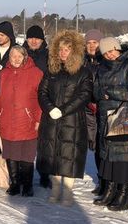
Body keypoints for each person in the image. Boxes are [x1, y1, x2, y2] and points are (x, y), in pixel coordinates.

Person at [37, 30, 93, 206]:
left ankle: (68, 192)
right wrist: (50, 108)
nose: (63, 53)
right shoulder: (51, 70)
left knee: (69, 156)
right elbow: (42, 91)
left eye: (67, 49)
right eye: (60, 49)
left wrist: (63, 110)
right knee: (53, 155)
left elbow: (84, 95)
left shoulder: (83, 72)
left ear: (74, 51)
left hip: (72, 120)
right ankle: (54, 189)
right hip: (51, 120)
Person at [92, 37, 128, 211]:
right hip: (105, 116)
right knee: (108, 156)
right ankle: (109, 190)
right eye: (105, 52)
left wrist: (110, 92)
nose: (109, 55)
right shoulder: (101, 68)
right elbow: (96, 91)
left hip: (125, 116)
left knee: (124, 157)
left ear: (118, 48)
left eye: (111, 51)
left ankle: (123, 194)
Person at [0, 45, 43, 197]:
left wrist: (38, 119)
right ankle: (15, 183)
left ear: (25, 57)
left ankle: (27, 185)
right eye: (13, 56)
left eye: (19, 56)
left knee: (27, 154)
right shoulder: (3, 73)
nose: (16, 59)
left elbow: (42, 98)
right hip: (7, 119)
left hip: (28, 119)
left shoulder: (36, 73)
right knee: (11, 153)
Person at [83, 29, 104, 194]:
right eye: (89, 43)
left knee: (105, 145)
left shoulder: (106, 60)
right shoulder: (82, 61)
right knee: (95, 145)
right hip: (88, 108)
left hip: (104, 108)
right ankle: (101, 178)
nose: (91, 46)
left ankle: (107, 181)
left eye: (94, 42)